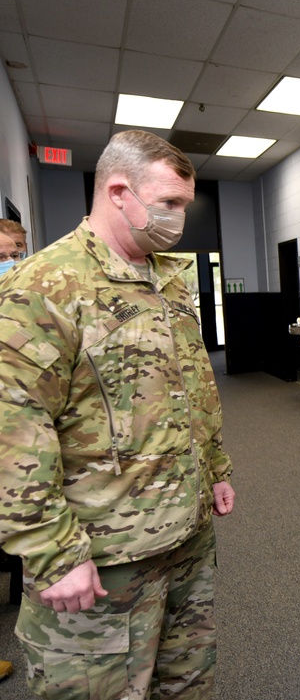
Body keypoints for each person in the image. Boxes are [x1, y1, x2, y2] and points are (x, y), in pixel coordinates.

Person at [0, 129, 236, 700]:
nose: (181, 217)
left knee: (187, 682)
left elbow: (192, 384)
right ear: (119, 192)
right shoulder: (45, 286)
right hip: (102, 556)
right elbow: (15, 426)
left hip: (186, 533)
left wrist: (217, 466)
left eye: (185, 202)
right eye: (170, 204)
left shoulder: (169, 279)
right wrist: (52, 553)